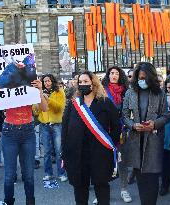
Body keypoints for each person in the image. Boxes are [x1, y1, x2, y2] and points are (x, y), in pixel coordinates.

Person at [62, 71, 121, 205]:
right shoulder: (73, 104)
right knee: (80, 187)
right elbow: (65, 128)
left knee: (101, 186)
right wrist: (64, 151)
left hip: (100, 152)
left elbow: (117, 125)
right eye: (80, 82)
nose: (82, 84)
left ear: (93, 83)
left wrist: (110, 143)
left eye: (86, 82)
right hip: (77, 152)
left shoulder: (105, 102)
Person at [122, 62, 168, 205]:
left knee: (152, 179)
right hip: (136, 141)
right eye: (140, 78)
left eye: (145, 78)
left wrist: (154, 124)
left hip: (153, 141)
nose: (142, 81)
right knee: (141, 179)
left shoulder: (160, 93)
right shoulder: (130, 93)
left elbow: (166, 115)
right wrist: (132, 125)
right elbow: (124, 114)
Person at [0, 79, 48, 205]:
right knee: (9, 176)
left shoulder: (31, 83)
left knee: (29, 175)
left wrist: (40, 90)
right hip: (9, 132)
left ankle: (30, 202)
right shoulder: (6, 83)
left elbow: (44, 108)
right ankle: (8, 202)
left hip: (28, 132)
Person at [102, 67, 132, 203]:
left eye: (117, 73)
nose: (114, 75)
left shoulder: (126, 91)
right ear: (108, 75)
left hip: (120, 130)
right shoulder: (102, 90)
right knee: (102, 162)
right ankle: (101, 192)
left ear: (121, 76)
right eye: (111, 73)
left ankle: (124, 189)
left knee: (122, 161)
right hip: (103, 130)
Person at [36, 74, 67, 182]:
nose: (47, 83)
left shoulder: (59, 91)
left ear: (52, 81)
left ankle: (61, 173)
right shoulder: (39, 93)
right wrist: (38, 102)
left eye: (49, 81)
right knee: (47, 152)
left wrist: (48, 99)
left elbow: (59, 108)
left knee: (59, 151)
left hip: (56, 125)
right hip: (44, 125)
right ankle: (48, 173)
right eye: (45, 81)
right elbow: (36, 110)